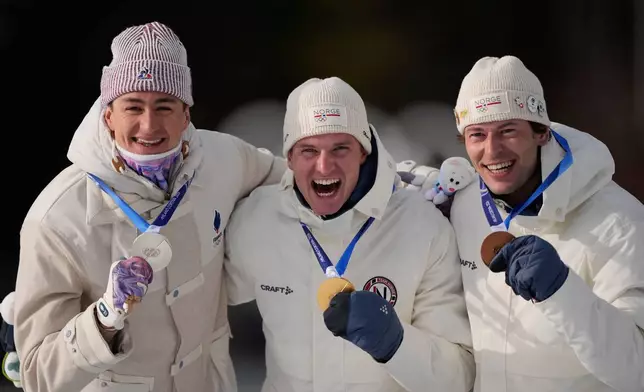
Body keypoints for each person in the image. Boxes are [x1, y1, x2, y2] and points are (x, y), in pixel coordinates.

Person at [12, 21, 285, 392]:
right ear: (108, 114)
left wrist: (383, 182)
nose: (148, 124)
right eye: (133, 106)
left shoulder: (225, 159)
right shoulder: (58, 218)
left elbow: (299, 181)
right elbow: (36, 374)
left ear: (186, 113)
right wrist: (104, 319)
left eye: (164, 105)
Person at [402, 55, 644, 392]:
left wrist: (562, 291)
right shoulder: (465, 202)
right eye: (477, 135)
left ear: (541, 132)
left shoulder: (620, 223)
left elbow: (637, 370)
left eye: (508, 131)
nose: (492, 150)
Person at [224, 77, 475, 392]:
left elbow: (460, 378)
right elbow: (196, 296)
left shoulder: (420, 225)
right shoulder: (258, 219)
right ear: (288, 158)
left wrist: (395, 344)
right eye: (308, 150)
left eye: (340, 148)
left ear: (363, 152)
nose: (324, 166)